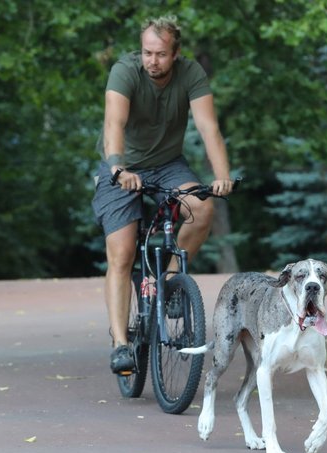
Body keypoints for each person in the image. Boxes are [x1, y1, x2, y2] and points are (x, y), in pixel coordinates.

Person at [93, 15, 233, 374]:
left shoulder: (191, 74)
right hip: (122, 167)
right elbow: (114, 124)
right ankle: (121, 345)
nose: (152, 61)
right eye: (147, 53)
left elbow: (208, 127)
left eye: (160, 54)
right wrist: (118, 168)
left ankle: (167, 281)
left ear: (176, 53)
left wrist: (221, 177)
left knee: (202, 210)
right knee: (122, 252)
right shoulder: (126, 71)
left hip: (169, 165)